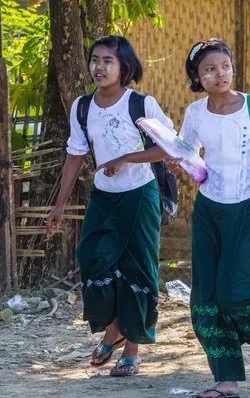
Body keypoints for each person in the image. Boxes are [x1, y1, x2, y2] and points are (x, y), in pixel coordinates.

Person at [166, 38, 250, 398]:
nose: (219, 74)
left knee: (235, 296)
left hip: (248, 208)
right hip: (208, 210)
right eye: (209, 69)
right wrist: (176, 162)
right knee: (206, 298)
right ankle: (227, 380)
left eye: (224, 66)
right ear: (197, 77)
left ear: (232, 68)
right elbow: (187, 152)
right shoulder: (196, 112)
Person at [45, 35, 174, 377]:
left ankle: (132, 349)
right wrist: (57, 206)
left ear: (124, 67)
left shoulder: (140, 104)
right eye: (95, 60)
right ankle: (114, 328)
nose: (99, 67)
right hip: (103, 197)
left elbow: (169, 148)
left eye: (108, 61)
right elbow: (75, 156)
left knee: (137, 269)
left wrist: (127, 157)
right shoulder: (82, 107)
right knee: (93, 261)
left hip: (139, 194)